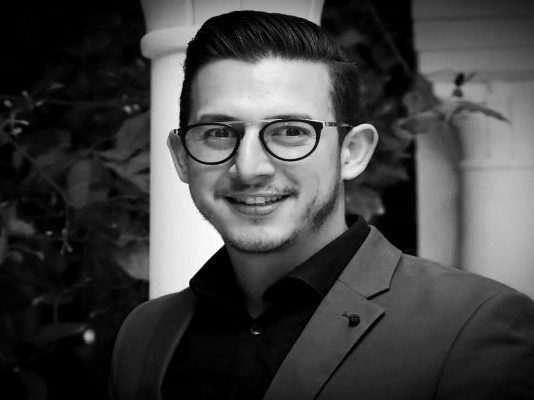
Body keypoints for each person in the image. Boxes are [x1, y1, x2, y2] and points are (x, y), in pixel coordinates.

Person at [110, 10, 534, 400]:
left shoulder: (473, 325)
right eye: (219, 133)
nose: (249, 168)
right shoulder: (144, 334)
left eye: (291, 131)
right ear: (182, 157)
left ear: (352, 152)